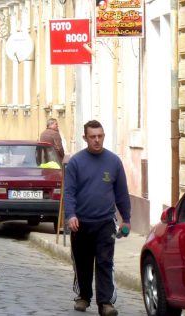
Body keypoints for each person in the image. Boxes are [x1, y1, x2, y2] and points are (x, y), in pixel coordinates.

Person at [63, 120, 131, 316]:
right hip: (81, 222)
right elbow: (69, 192)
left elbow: (122, 194)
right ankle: (83, 296)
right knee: (83, 262)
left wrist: (126, 219)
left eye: (100, 136)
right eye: (92, 137)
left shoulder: (113, 162)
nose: (97, 140)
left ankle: (106, 303)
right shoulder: (76, 162)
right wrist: (71, 215)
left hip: (105, 222)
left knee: (105, 262)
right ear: (85, 138)